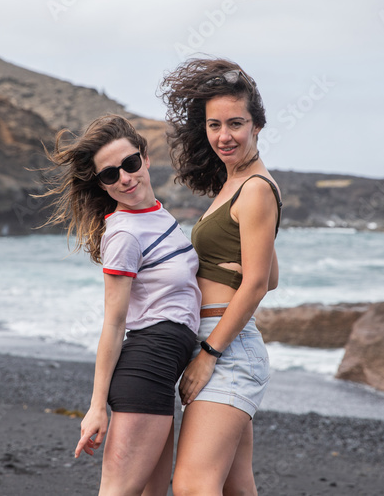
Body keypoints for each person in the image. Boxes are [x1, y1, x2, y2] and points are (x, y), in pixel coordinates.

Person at [38, 114, 201, 496]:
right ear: (101, 185)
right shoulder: (125, 233)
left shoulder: (158, 215)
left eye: (129, 164)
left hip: (162, 370)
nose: (125, 178)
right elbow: (113, 324)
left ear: (144, 158)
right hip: (148, 367)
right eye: (110, 175)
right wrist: (96, 408)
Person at [159, 59, 282, 496]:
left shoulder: (256, 189)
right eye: (214, 125)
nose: (223, 135)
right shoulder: (237, 183)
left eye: (235, 123)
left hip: (225, 348)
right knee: (235, 486)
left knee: (194, 485)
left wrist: (208, 352)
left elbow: (254, 284)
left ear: (257, 126)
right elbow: (269, 277)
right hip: (223, 339)